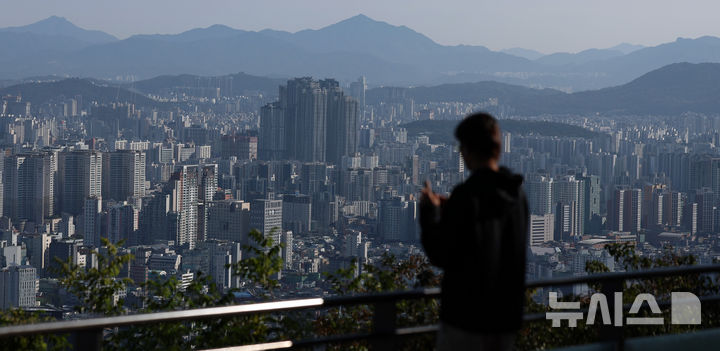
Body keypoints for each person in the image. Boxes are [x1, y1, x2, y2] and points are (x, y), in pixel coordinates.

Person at [420, 112, 528, 351]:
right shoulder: (516, 194)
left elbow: (440, 254)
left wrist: (430, 212)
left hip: (467, 320)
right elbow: (492, 226)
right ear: (497, 149)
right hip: (506, 318)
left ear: (466, 151)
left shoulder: (467, 195)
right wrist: (453, 208)